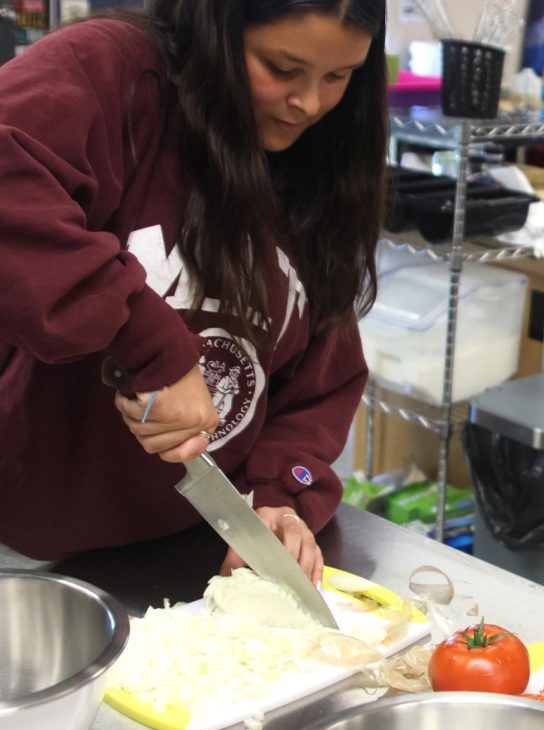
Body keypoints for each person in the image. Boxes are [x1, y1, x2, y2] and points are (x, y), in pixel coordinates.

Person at [0, 0, 388, 583]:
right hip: (26, 558)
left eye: (338, 76)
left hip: (195, 561)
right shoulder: (114, 70)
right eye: (282, 69)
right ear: (219, 28)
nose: (309, 103)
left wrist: (280, 496)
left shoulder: (320, 166)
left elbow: (315, 390)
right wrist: (154, 349)